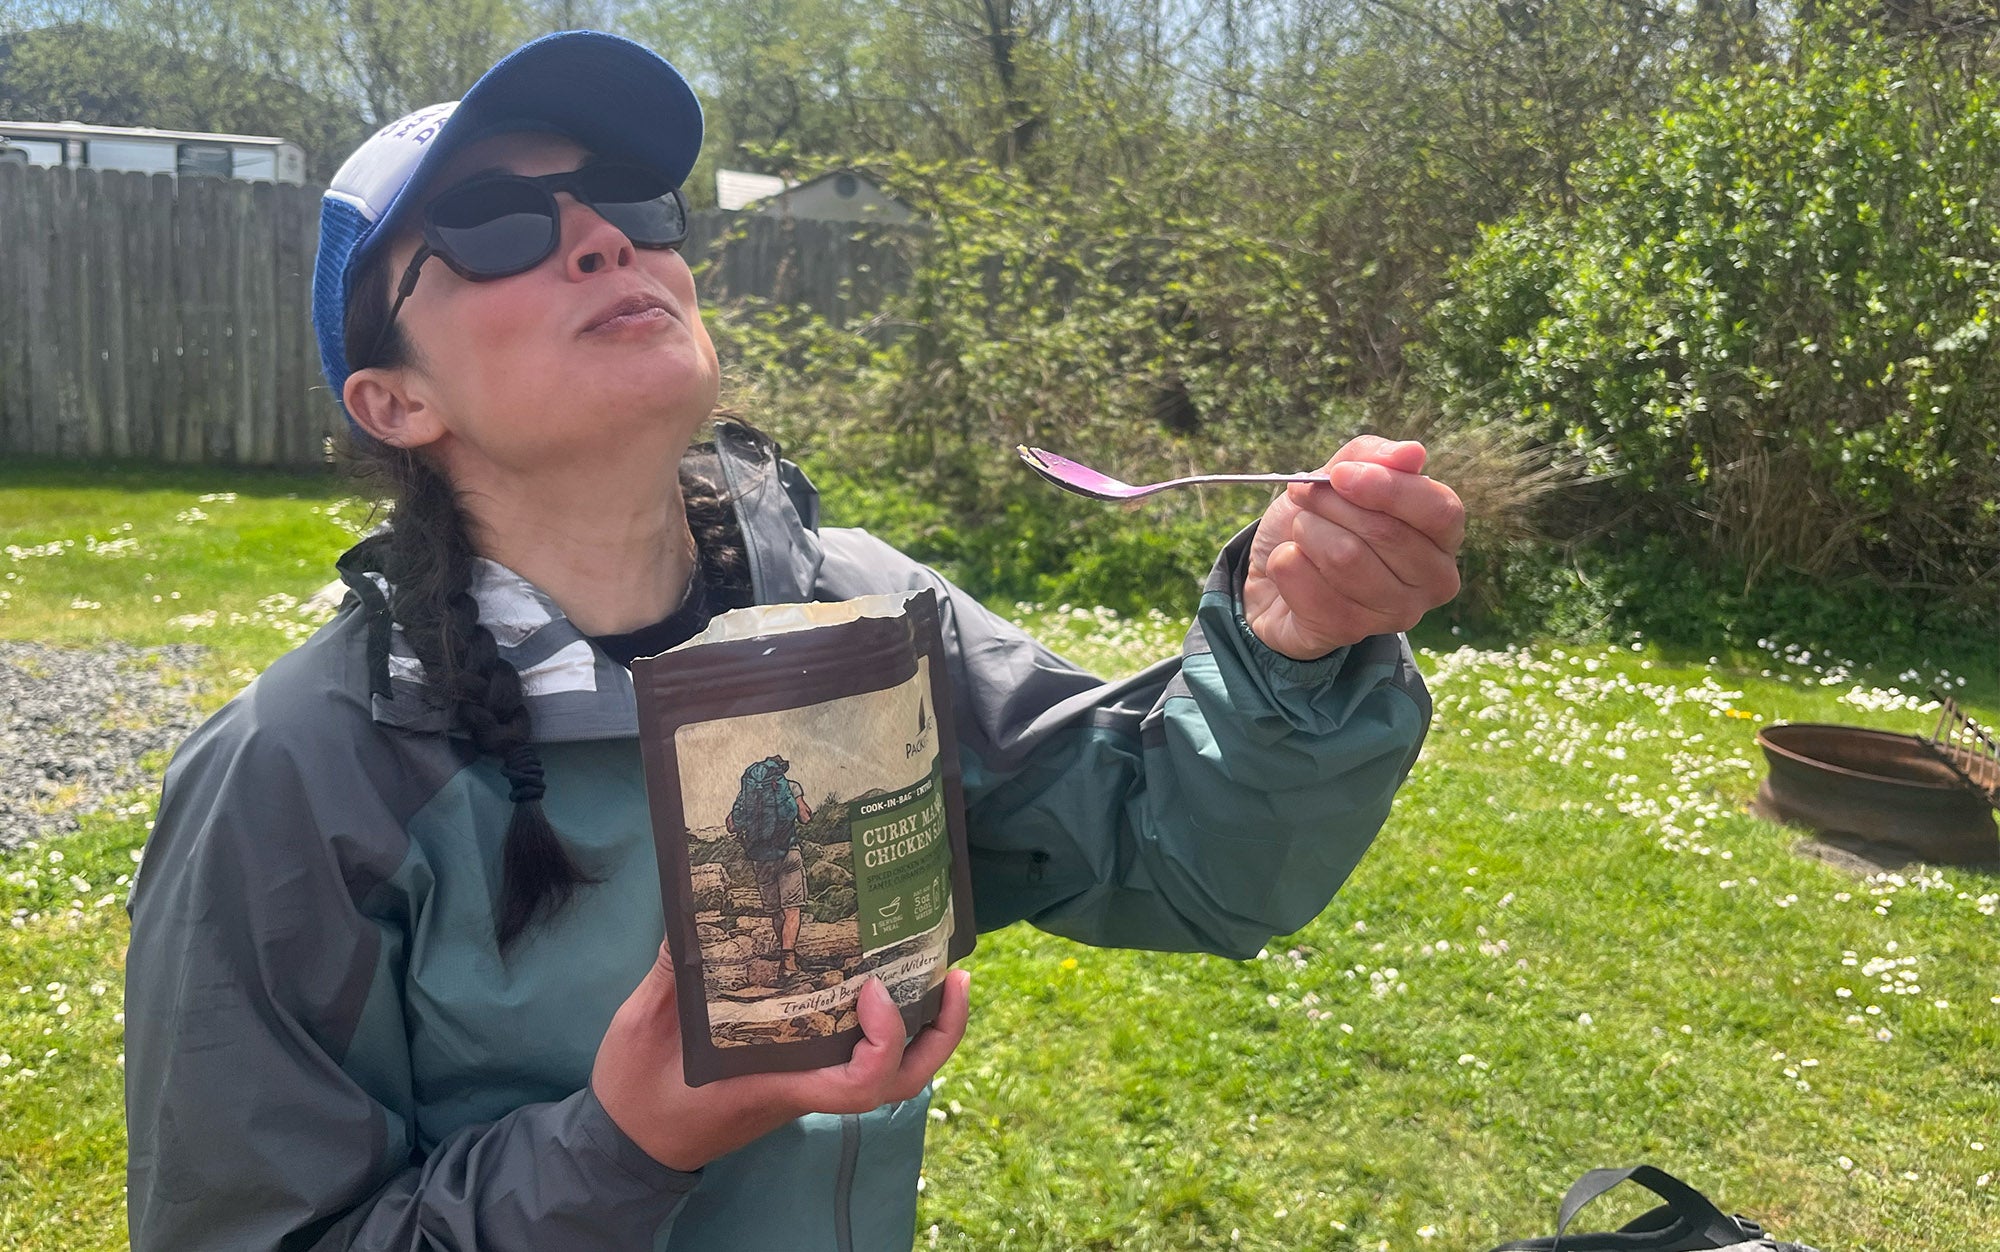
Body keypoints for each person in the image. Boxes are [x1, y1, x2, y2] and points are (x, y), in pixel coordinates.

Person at [122, 29, 1465, 1252]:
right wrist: (623, 1149)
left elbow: (1187, 865)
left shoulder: (862, 624)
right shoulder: (299, 775)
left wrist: (1291, 648)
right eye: (492, 226)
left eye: (633, 207)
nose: (604, 241)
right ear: (393, 399)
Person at [726, 754, 813, 977]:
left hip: (762, 860)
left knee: (776, 912)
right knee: (792, 910)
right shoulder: (791, 787)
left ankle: (787, 955)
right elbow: (805, 817)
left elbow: (731, 825)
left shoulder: (748, 793)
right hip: (789, 853)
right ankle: (789, 963)